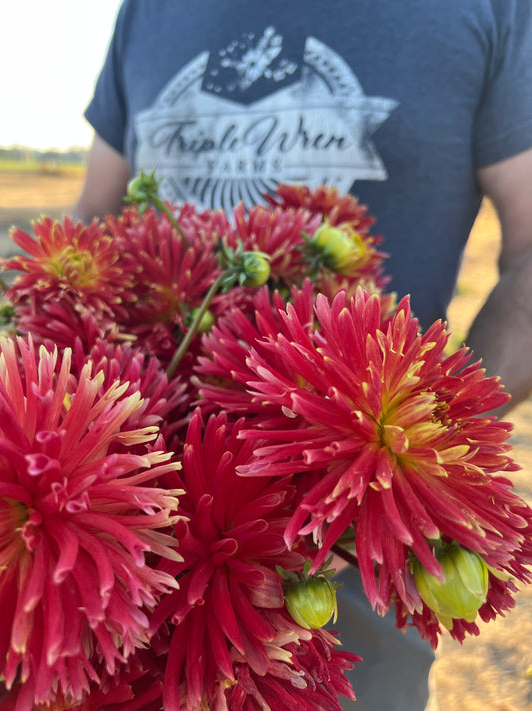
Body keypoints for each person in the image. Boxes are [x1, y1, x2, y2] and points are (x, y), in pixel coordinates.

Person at [72, 2, 532, 708]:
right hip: (115, 534)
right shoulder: (148, 11)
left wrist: (419, 474)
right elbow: (91, 230)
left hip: (357, 548)